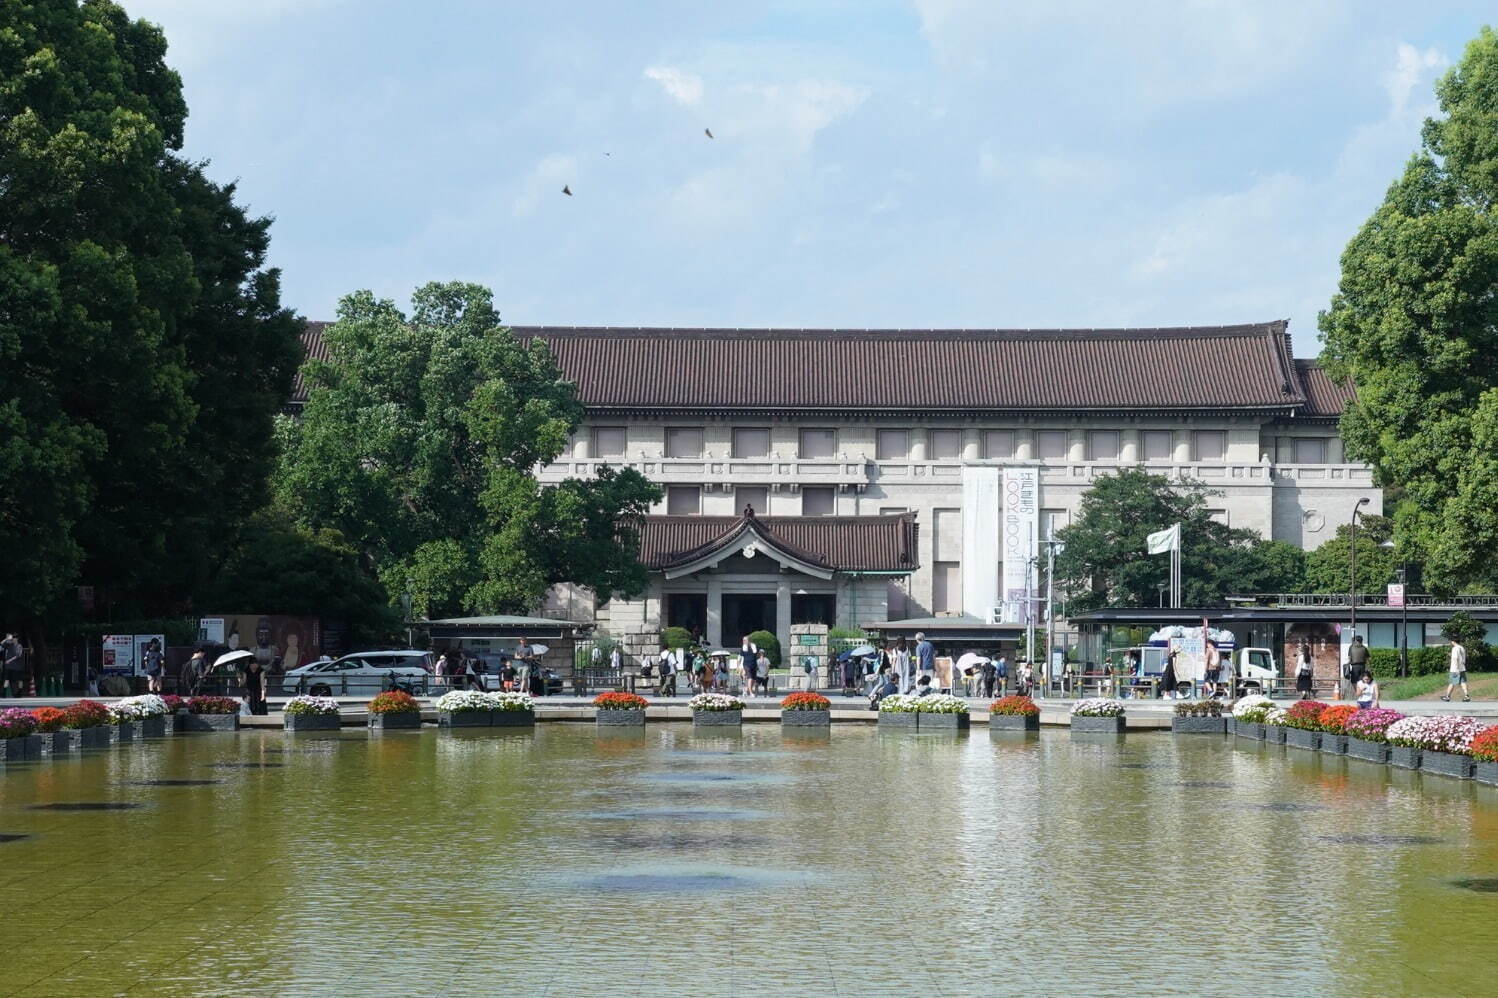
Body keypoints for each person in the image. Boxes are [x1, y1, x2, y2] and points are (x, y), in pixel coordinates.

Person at [1442, 637, 1471, 703]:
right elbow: (1463, 659)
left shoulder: (1455, 648)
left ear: (1453, 641)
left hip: (1455, 669)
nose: (1451, 642)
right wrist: (1461, 667)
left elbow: (1456, 659)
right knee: (1463, 682)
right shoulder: (1462, 648)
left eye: (1451, 641)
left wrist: (1457, 668)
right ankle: (1467, 696)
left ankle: (1447, 697)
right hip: (1462, 668)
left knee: (1451, 682)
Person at [2, 633, 24, 697]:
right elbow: (1, 644)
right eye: (13, 638)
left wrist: (9, 660)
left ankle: (19, 692)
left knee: (18, 679)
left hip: (17, 666)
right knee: (7, 679)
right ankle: (4, 693)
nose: (14, 639)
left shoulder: (19, 646)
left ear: (17, 639)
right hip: (9, 666)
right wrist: (6, 639)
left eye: (15, 638)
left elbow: (18, 655)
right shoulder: (9, 645)